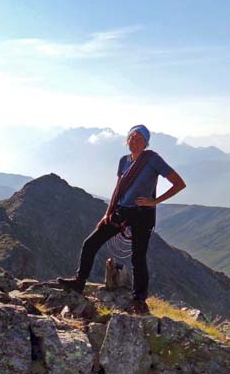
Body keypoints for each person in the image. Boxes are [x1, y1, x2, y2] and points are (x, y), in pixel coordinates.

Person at [57, 124, 187, 314]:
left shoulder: (153, 159)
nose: (135, 142)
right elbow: (118, 189)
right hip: (122, 211)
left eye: (139, 139)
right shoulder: (124, 161)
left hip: (143, 214)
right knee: (90, 243)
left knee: (138, 257)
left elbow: (179, 183)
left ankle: (139, 300)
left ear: (146, 143)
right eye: (132, 138)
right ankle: (79, 282)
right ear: (127, 140)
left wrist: (155, 201)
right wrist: (107, 213)